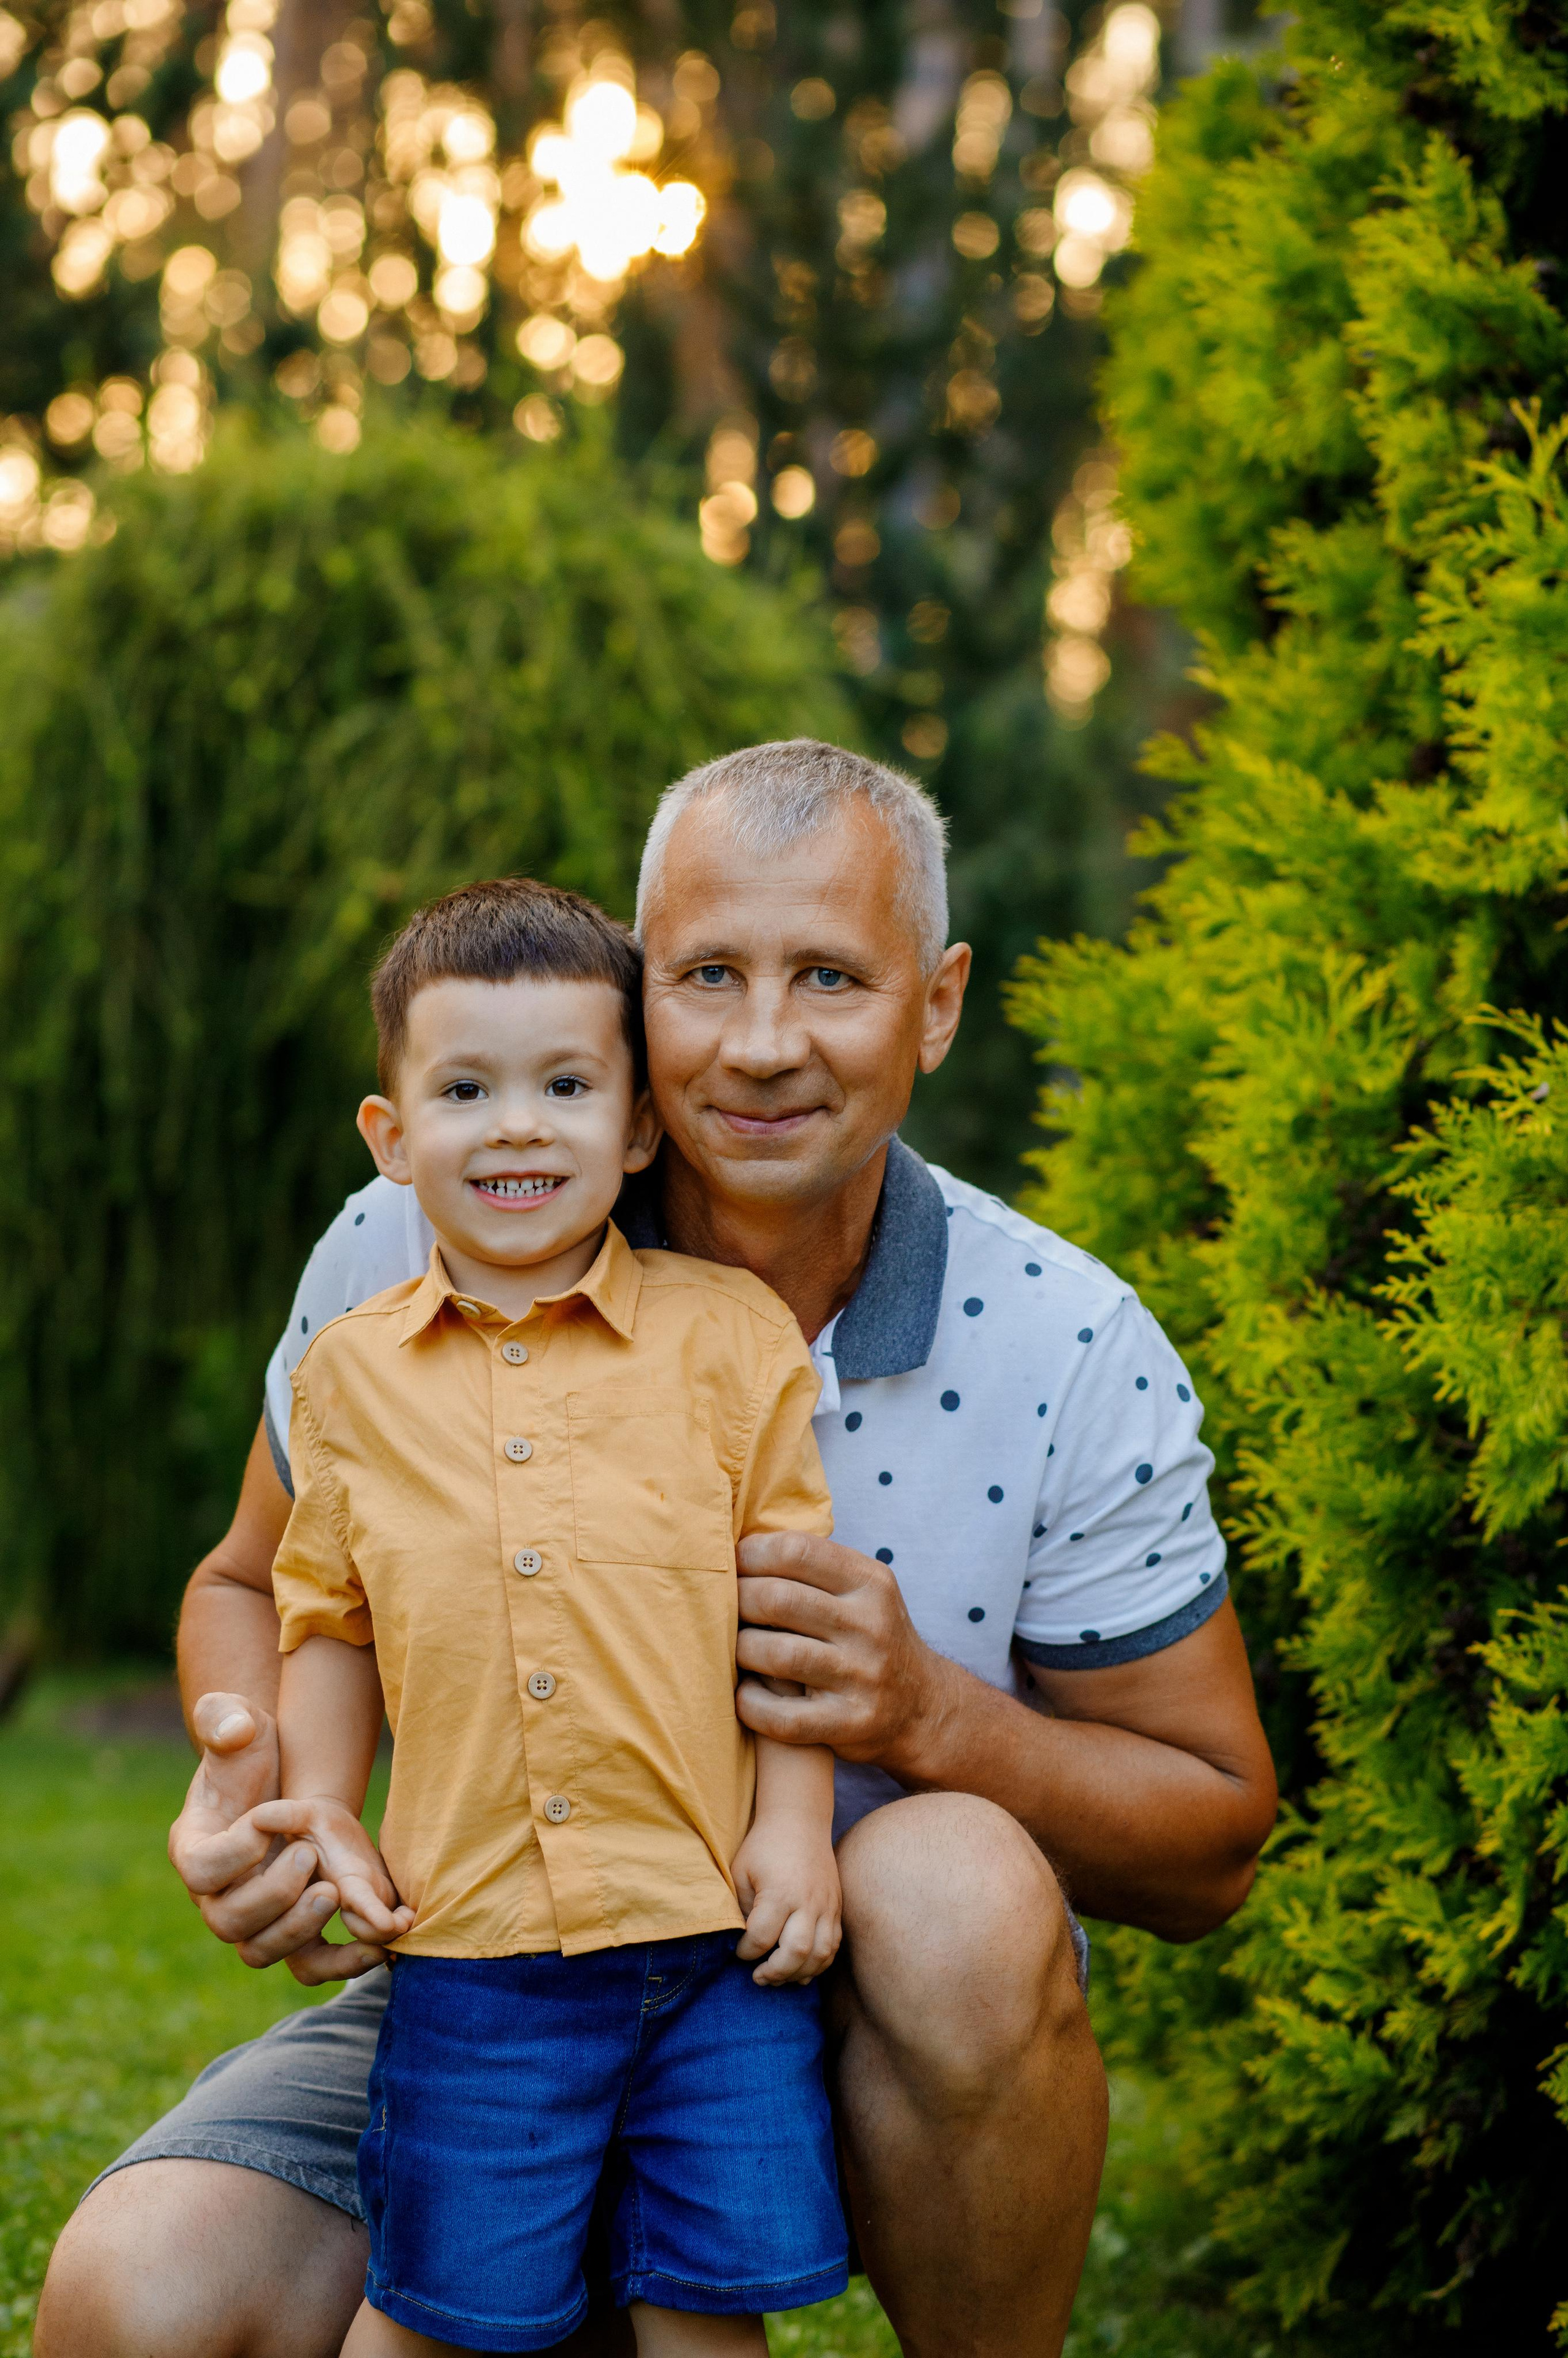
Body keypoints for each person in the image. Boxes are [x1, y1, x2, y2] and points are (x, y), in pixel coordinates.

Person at [36, 741, 1278, 2358]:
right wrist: (263, 1783)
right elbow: (248, 1588)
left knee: (955, 1889)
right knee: (130, 2302)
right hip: (504, 1968)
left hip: (849, 1995)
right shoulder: (432, 1235)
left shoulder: (1068, 1343)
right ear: (638, 998)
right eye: (706, 976)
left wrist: (925, 1717)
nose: (762, 1047)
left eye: (830, 976)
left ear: (940, 1002)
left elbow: (1214, 1836)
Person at [239, 874, 850, 2354]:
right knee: (446, 2304)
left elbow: (792, 1615)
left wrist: (791, 1828)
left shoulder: (728, 1339)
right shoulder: (351, 1377)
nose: (518, 1125)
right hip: (472, 1952)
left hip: (711, 1947)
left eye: (566, 1085)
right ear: (392, 1138)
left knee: (710, 2305)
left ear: (637, 1126)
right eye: (466, 1088)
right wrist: (320, 1809)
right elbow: (326, 1620)